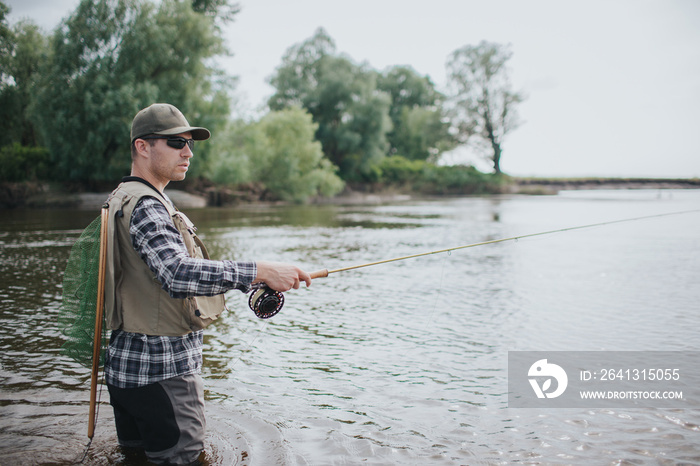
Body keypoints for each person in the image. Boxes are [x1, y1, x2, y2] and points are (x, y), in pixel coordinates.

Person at [102, 103, 312, 465]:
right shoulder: (149, 206)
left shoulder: (121, 197)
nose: (188, 152)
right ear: (142, 146)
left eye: (189, 143)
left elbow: (152, 273)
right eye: (175, 143)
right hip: (162, 372)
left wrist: (254, 282)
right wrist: (258, 270)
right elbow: (176, 273)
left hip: (126, 370)